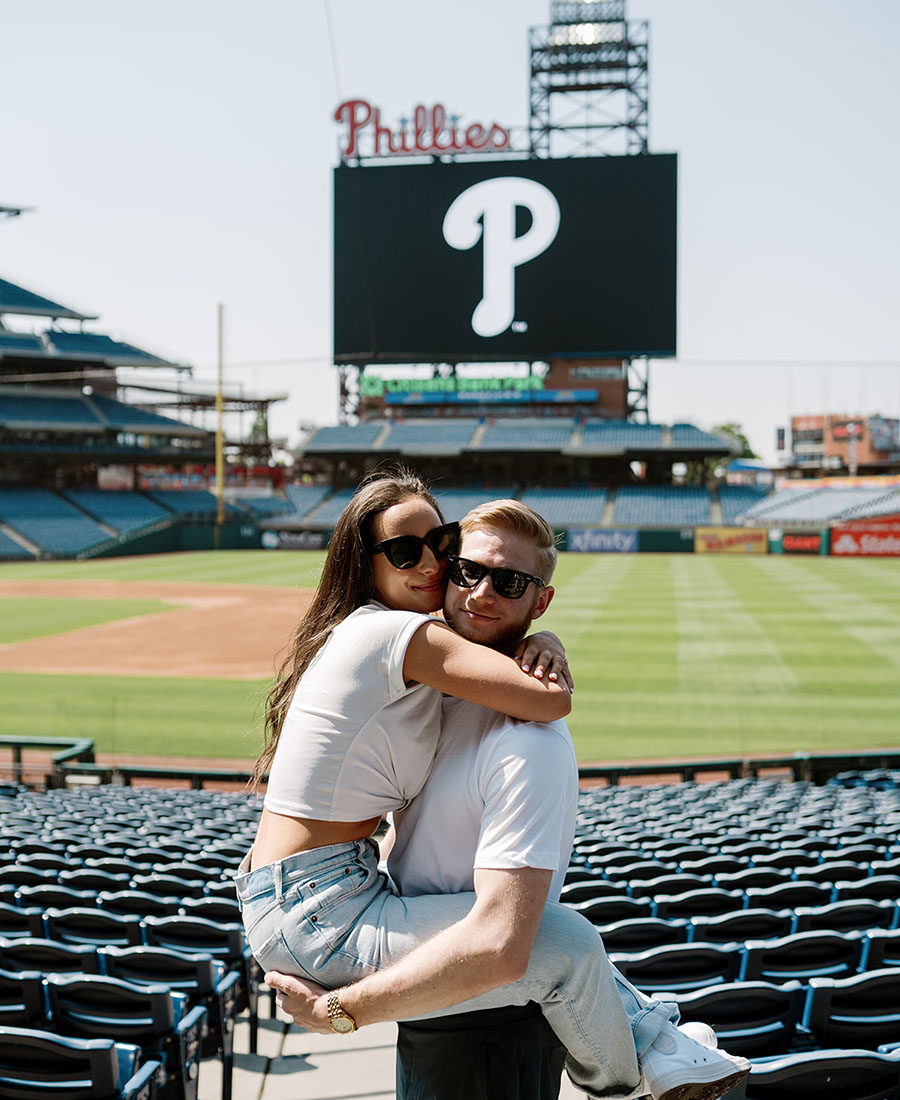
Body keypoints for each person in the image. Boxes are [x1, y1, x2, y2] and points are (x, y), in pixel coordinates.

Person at [238, 473, 750, 1099]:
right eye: (406, 552)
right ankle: (644, 1065)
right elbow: (548, 699)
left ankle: (654, 1041)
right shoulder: (392, 634)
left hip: (321, 892)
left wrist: (538, 635)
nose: (431, 564)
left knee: (541, 935)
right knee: (563, 941)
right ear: (365, 564)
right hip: (318, 907)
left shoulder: (414, 646)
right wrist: (544, 649)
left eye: (439, 543)